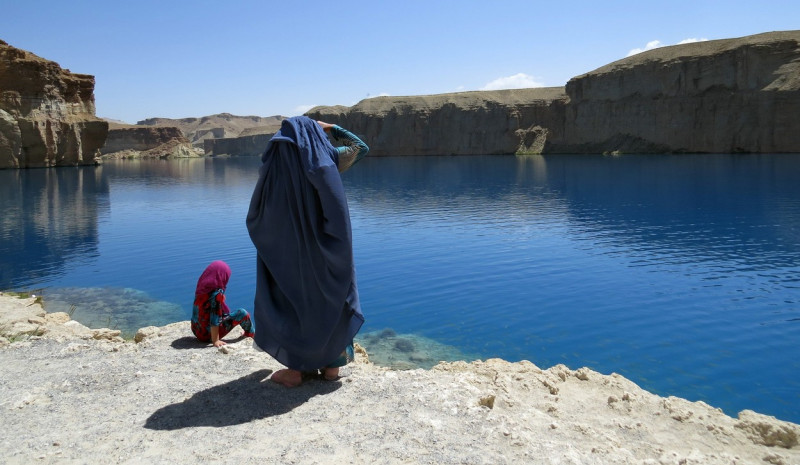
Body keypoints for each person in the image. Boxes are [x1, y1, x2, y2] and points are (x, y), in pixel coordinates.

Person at [246, 116, 369, 387]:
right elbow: (361, 147)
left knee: (294, 302)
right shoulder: (328, 160)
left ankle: (296, 370)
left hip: (288, 253)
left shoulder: (274, 166)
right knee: (333, 297)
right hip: (327, 249)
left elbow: (258, 215)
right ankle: (332, 369)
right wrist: (330, 128)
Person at [191, 260, 254, 347]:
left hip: (197, 331)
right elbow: (215, 319)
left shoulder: (202, 288)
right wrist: (215, 341)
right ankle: (250, 334)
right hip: (207, 336)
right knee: (242, 313)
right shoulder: (216, 295)